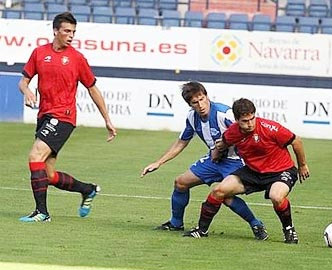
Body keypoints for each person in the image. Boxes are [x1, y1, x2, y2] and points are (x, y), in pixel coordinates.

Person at [18, 12, 117, 222]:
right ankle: (88, 190)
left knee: (35, 156)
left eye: (73, 32)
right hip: (44, 116)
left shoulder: (77, 58)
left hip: (63, 116)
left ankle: (42, 213)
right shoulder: (39, 53)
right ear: (56, 31)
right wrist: (26, 91)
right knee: (48, 174)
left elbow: (93, 89)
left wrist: (107, 119)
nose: (71, 35)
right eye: (67, 31)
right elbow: (23, 81)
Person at [141, 82, 268, 240]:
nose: (200, 105)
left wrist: (223, 148)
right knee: (181, 182)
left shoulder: (224, 114)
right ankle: (175, 223)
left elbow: (247, 132)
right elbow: (182, 142)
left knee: (225, 196)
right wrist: (159, 162)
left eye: (202, 99)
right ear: (190, 104)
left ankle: (256, 224)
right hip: (213, 160)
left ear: (207, 96)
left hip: (236, 161)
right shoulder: (192, 117)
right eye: (195, 102)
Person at [183, 98, 310, 244]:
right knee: (219, 191)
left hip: (281, 170)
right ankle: (201, 230)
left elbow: (297, 141)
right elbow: (224, 142)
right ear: (236, 120)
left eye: (252, 118)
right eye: (245, 121)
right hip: (253, 171)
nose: (250, 124)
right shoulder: (233, 132)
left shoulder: (270, 128)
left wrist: (302, 165)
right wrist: (217, 152)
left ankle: (289, 230)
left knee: (276, 196)